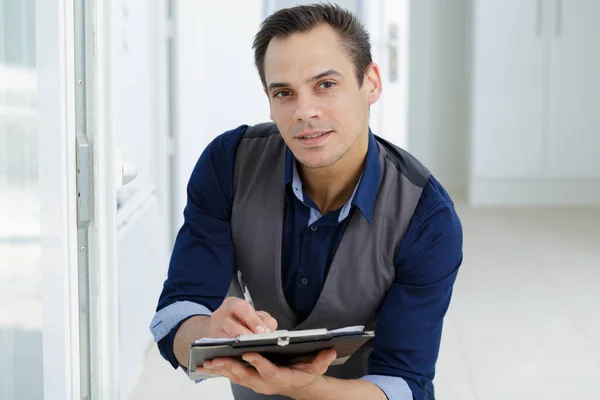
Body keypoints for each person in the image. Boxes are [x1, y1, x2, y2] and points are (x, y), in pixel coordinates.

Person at [149, 4, 462, 400]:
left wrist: (307, 389)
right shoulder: (227, 164)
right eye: (284, 92)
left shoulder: (425, 217)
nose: (304, 112)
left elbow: (405, 383)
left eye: (326, 85)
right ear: (268, 99)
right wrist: (206, 331)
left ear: (371, 83)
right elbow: (177, 311)